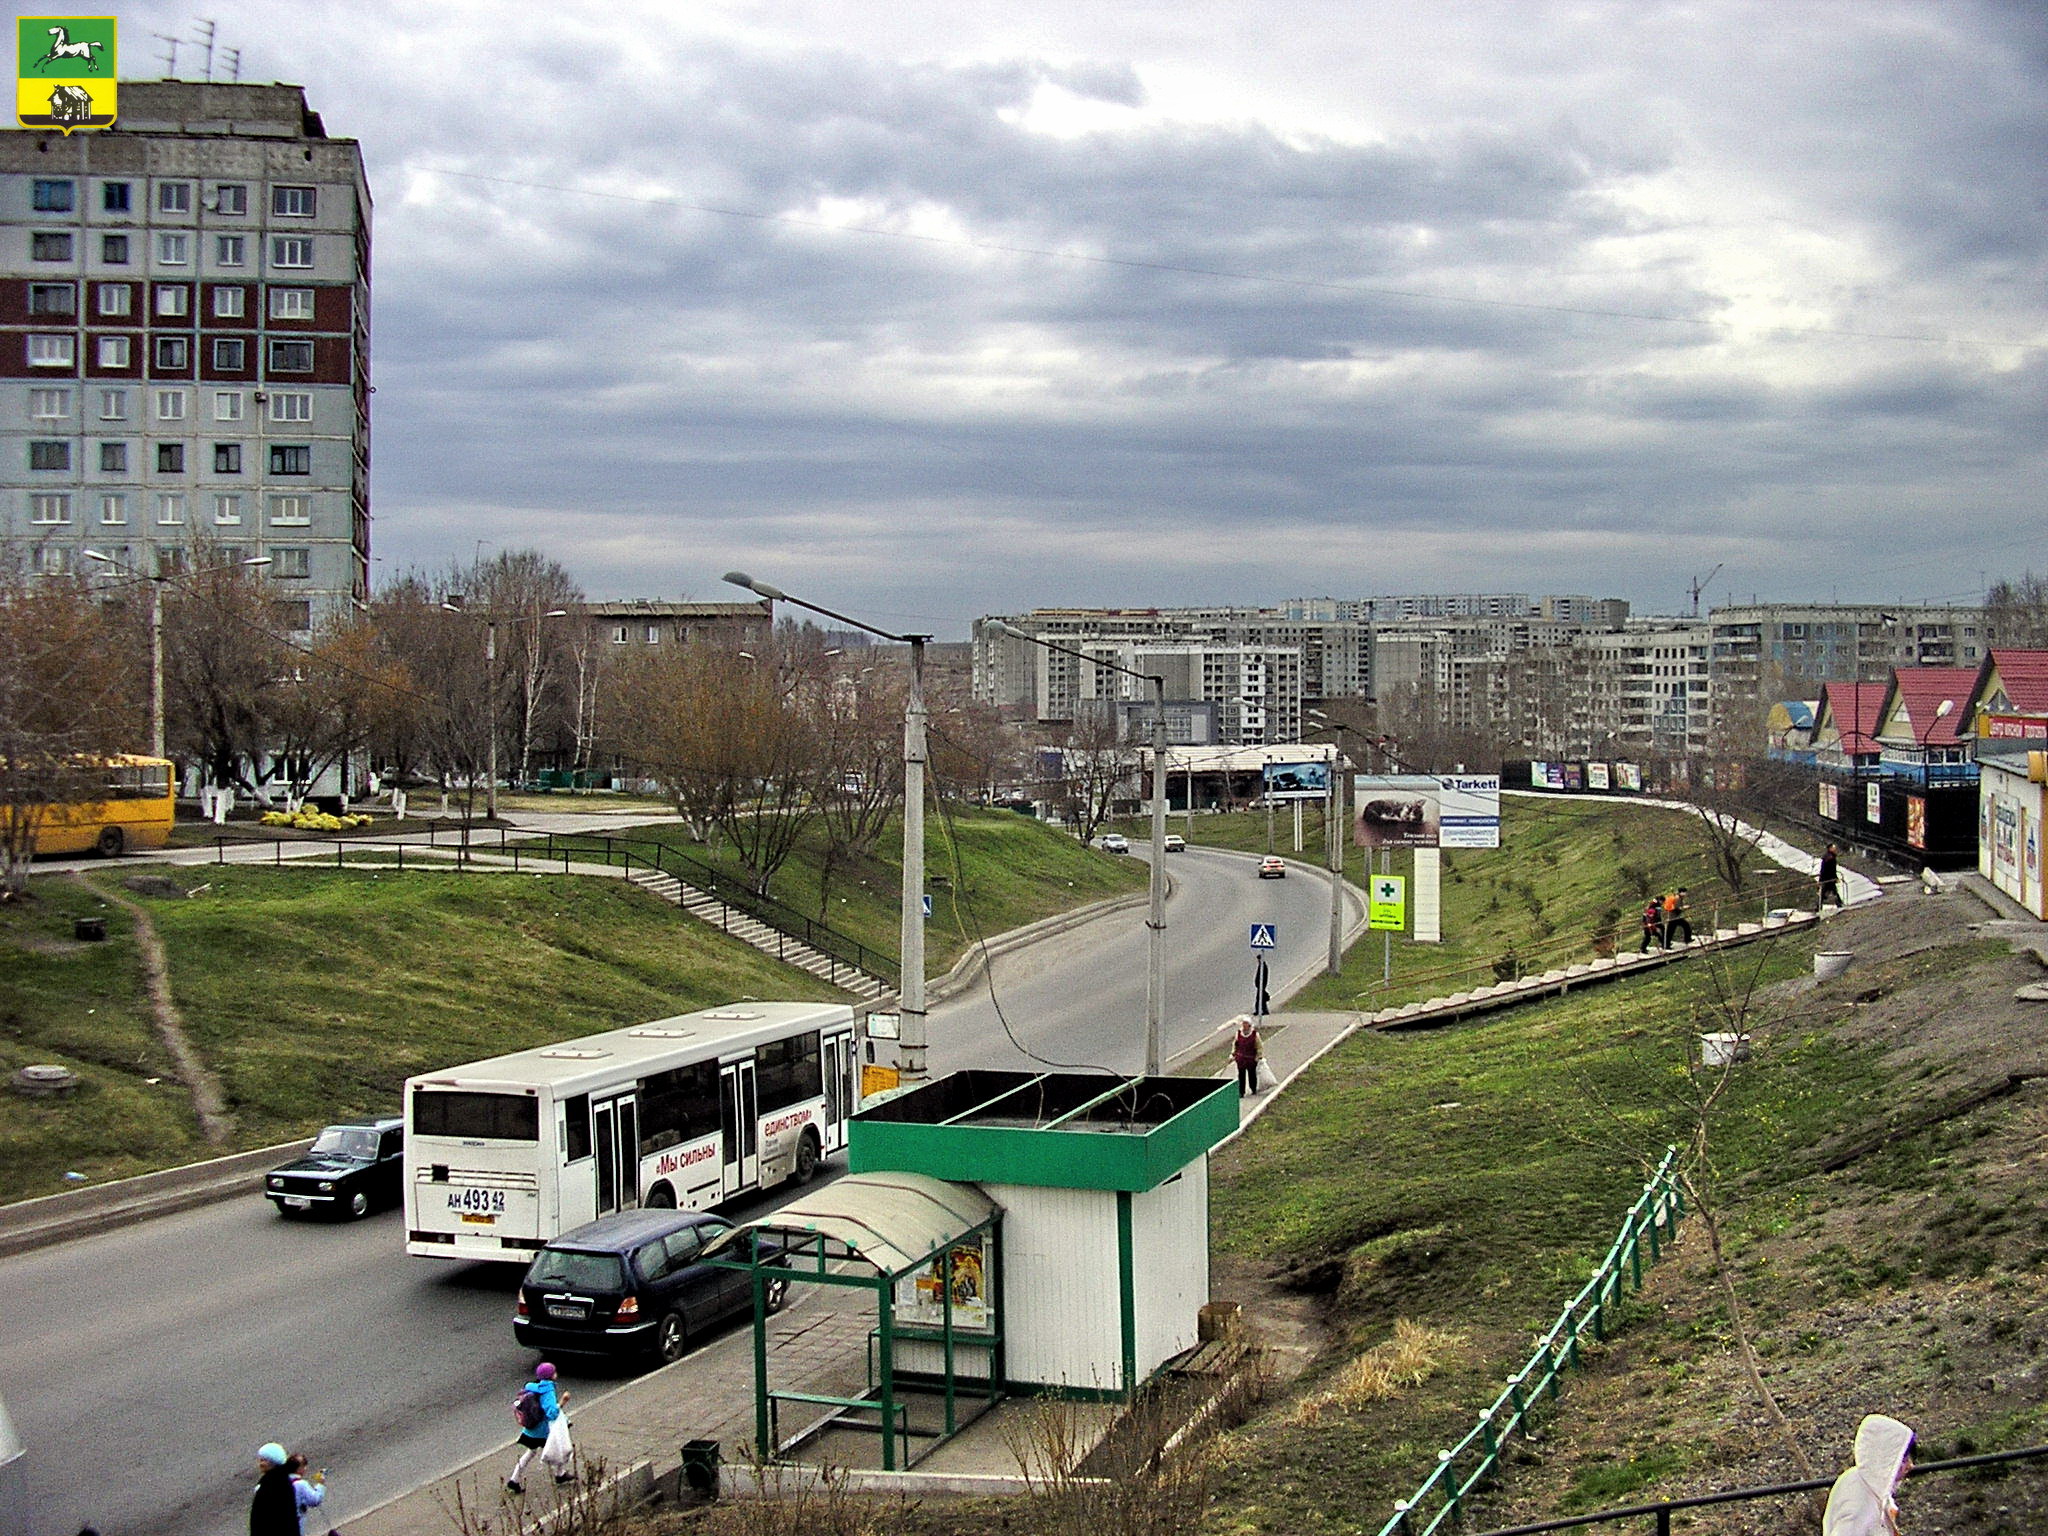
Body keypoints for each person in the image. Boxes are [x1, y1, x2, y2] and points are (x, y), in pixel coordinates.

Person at [1821, 1413, 1914, 1535]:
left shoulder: (1872, 1487)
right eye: (1903, 1459)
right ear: (1885, 1459)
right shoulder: (1857, 1500)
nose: (1910, 1465)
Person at [507, 1362, 569, 1493]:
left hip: (531, 1429)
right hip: (543, 1431)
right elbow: (551, 1413)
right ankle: (560, 1474)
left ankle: (514, 1479)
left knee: (530, 1452)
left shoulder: (532, 1387)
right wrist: (562, 1402)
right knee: (559, 1448)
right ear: (552, 1376)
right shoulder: (548, 1391)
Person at [250, 1443, 299, 1536]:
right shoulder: (274, 1479)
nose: (261, 1464)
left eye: (264, 1460)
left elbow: (273, 1516)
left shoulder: (275, 1483)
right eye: (260, 1460)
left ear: (274, 1462)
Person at [286, 1452, 326, 1534]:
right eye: (304, 1466)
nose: (305, 1469)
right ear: (299, 1468)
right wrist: (320, 1484)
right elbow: (314, 1500)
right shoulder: (301, 1484)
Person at [1231, 1016, 1262, 1098]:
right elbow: (1235, 1044)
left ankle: (1253, 1088)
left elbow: (1259, 1046)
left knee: (1252, 1074)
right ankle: (1241, 1092)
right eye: (1243, 1023)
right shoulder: (1238, 1033)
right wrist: (1233, 1053)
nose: (1244, 1025)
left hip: (1251, 1058)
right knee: (1241, 1075)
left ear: (1249, 1025)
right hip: (1241, 1059)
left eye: (1246, 1024)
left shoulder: (1255, 1035)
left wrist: (1258, 1056)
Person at [1819, 844, 1843, 909]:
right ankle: (1839, 904)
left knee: (1826, 892)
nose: (1835, 849)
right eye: (1833, 848)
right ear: (1830, 848)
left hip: (1826, 878)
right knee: (1830, 891)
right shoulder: (1830, 858)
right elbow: (1831, 870)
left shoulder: (1828, 856)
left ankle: (1819, 905)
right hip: (1828, 878)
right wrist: (1835, 878)